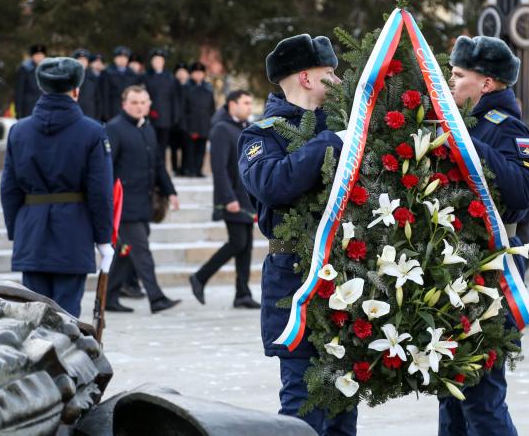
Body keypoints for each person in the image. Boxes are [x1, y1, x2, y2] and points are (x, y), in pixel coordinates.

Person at [239, 34, 356, 436]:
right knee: (302, 405)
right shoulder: (261, 135)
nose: (338, 81)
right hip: (294, 276)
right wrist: (329, 143)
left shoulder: (345, 127)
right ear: (306, 78)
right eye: (330, 73)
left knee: (343, 404)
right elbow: (274, 184)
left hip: (346, 275)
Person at [441, 35, 529, 436]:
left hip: (489, 275)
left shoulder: (506, 128)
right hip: (455, 270)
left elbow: (524, 194)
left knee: (482, 400)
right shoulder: (464, 122)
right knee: (452, 397)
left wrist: (473, 147)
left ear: (486, 83)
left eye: (459, 74)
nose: (451, 80)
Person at [0, 57, 114, 317]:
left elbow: (9, 189)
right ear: (76, 90)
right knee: (66, 320)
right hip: (74, 232)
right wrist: (103, 238)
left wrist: (17, 230)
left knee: (34, 319)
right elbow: (100, 192)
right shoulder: (92, 132)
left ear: (42, 88)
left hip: (32, 231)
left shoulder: (19, 131)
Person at [104, 85, 181, 314]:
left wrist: (170, 192)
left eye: (143, 102)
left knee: (125, 252)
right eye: (134, 102)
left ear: (149, 105)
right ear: (124, 104)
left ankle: (108, 298)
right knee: (141, 251)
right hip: (124, 205)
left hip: (144, 203)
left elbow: (158, 164)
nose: (139, 107)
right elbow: (105, 167)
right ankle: (156, 298)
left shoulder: (147, 128)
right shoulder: (114, 128)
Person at [190, 89, 259, 309]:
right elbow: (218, 168)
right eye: (245, 103)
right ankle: (200, 276)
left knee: (246, 246)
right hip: (232, 198)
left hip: (247, 198)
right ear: (232, 105)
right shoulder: (221, 128)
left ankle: (242, 293)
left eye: (250, 103)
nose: (249, 107)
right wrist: (228, 198)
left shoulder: (245, 128)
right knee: (238, 242)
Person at [144, 48, 179, 161]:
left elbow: (174, 98)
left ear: (163, 62)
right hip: (150, 116)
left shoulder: (170, 77)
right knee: (150, 144)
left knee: (163, 146)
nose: (157, 62)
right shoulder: (146, 76)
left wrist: (175, 115)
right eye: (155, 60)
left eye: (160, 60)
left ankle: (161, 166)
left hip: (165, 117)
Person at [183, 62, 215, 177]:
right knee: (190, 149)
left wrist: (211, 123)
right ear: (191, 74)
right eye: (196, 72)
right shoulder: (186, 88)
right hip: (191, 124)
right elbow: (183, 109)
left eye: (200, 72)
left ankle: (198, 170)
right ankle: (190, 170)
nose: (198, 75)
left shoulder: (208, 88)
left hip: (204, 124)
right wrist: (185, 126)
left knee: (201, 149)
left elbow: (212, 108)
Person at [98, 46, 139, 121]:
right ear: (115, 59)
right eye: (119, 57)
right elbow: (104, 95)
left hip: (129, 110)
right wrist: (106, 114)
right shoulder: (107, 72)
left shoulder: (132, 74)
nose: (122, 60)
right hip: (113, 110)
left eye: (124, 58)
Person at [15, 44, 47, 119]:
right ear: (32, 56)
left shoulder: (47, 69)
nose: (39, 57)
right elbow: (19, 91)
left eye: (41, 55)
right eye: (37, 55)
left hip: (44, 109)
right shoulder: (25, 69)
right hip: (29, 109)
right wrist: (18, 110)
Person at [170, 62, 190, 175]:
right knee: (174, 147)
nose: (182, 74)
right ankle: (174, 168)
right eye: (179, 72)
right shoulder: (171, 86)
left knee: (186, 147)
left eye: (184, 72)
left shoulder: (190, 87)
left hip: (187, 123)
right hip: (174, 123)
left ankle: (184, 168)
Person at [72, 49, 101, 120]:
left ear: (88, 62)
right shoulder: (70, 78)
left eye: (85, 60)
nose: (82, 62)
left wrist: (98, 118)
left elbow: (98, 100)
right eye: (80, 59)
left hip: (90, 116)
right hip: (73, 115)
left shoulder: (94, 78)